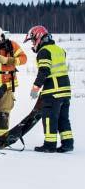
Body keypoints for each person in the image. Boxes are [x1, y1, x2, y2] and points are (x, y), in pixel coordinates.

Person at [24, 25, 74, 153]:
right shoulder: (59, 49)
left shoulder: (44, 51)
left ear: (39, 37)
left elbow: (44, 71)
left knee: (49, 118)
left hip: (53, 92)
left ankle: (49, 145)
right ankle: (67, 143)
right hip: (65, 91)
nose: (33, 44)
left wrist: (35, 88)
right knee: (63, 118)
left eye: (33, 40)